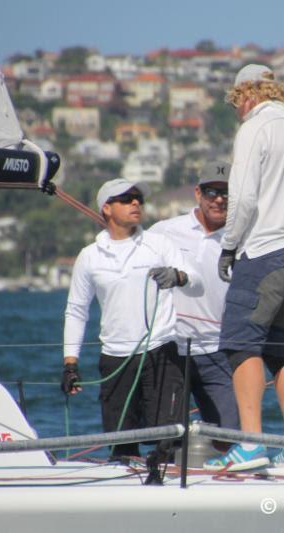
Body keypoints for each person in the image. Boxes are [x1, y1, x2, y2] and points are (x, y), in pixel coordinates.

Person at [204, 64, 284, 471]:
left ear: (248, 96)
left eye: (236, 103)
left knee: (242, 345)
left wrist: (229, 247)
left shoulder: (254, 130)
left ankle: (252, 445)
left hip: (263, 252)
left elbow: (242, 200)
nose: (237, 111)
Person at [61, 178, 200, 460]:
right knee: (121, 445)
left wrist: (178, 276)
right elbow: (76, 310)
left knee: (168, 439)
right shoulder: (89, 257)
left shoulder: (159, 244)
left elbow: (196, 282)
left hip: (161, 351)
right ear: (107, 209)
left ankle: (168, 493)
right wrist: (70, 364)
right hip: (115, 357)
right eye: (126, 199)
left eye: (139, 198)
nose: (136, 203)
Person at [149, 161, 239, 431]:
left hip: (219, 352)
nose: (220, 200)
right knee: (166, 433)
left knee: (231, 432)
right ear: (198, 194)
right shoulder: (163, 231)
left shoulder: (242, 239)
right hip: (170, 348)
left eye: (228, 194)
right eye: (212, 192)